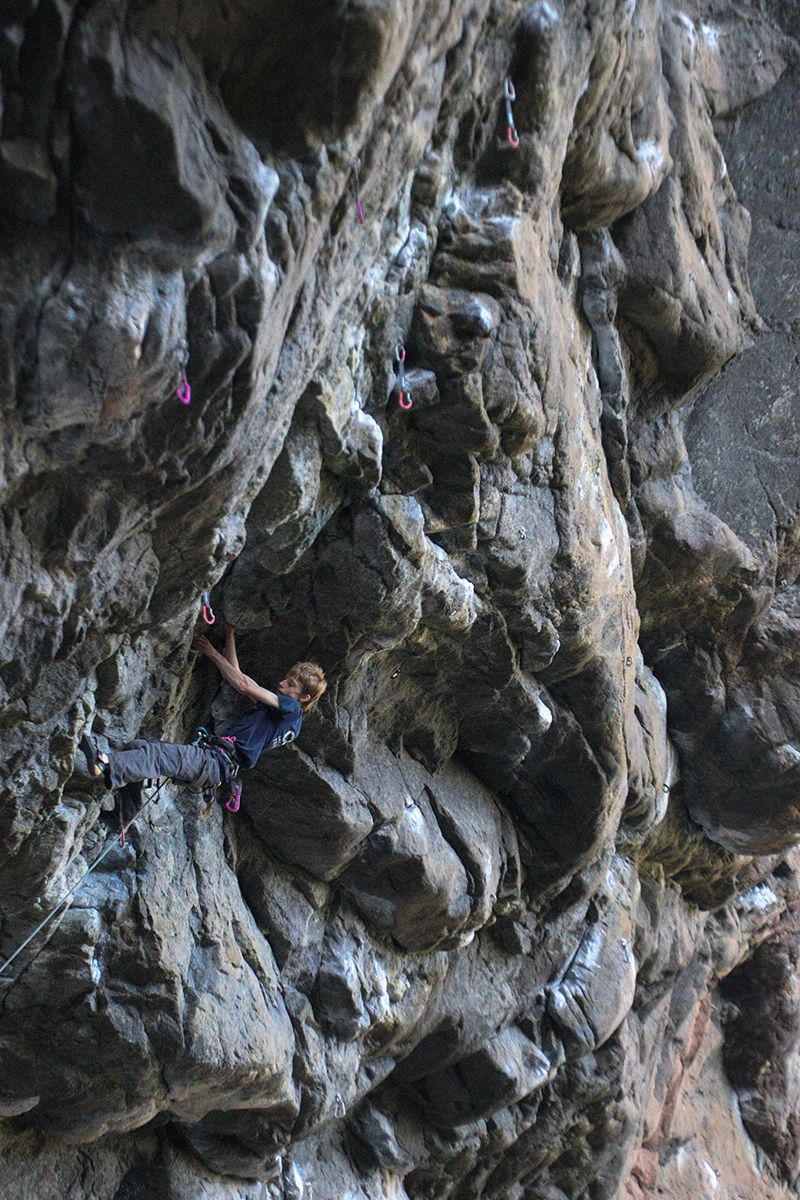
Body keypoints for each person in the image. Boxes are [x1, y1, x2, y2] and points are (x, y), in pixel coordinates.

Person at [78, 624, 327, 808]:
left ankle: (105, 765)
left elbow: (243, 686)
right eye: (286, 679)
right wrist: (230, 634)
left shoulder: (292, 710)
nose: (283, 684)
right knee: (140, 747)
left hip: (214, 761)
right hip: (214, 764)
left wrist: (211, 652)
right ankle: (127, 804)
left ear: (304, 697)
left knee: (157, 755)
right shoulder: (280, 716)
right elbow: (239, 676)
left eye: (291, 684)